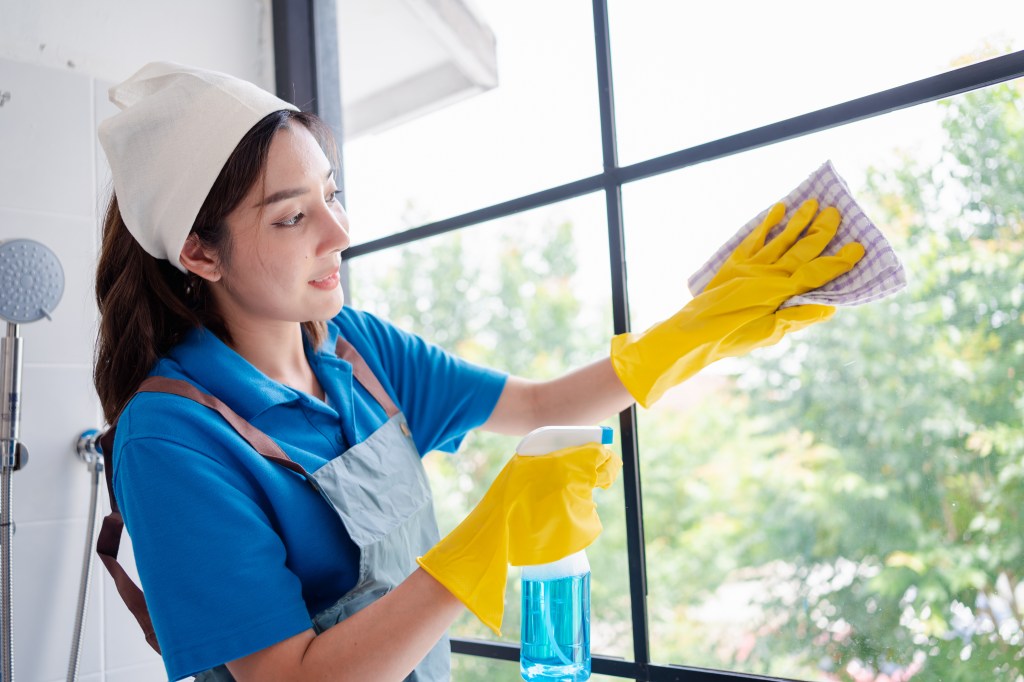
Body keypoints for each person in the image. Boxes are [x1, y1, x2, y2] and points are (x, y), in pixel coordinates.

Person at [93, 62, 864, 682]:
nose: (341, 232)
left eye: (332, 195)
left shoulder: (356, 349)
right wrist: (482, 544)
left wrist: (703, 330)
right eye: (294, 216)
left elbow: (537, 406)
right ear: (199, 251)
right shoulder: (171, 438)